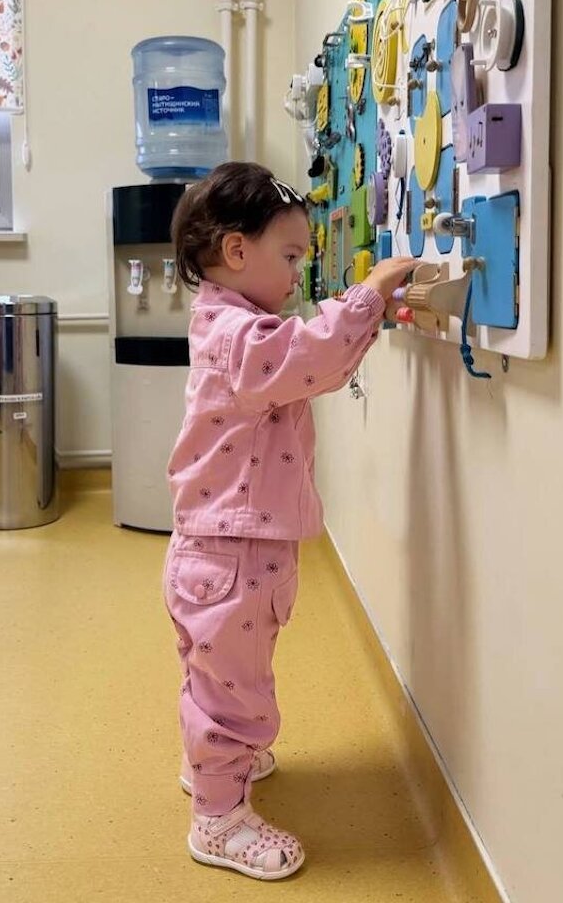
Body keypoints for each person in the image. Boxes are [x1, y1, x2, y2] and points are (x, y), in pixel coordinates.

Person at [163, 161, 413, 880]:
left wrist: (360, 317)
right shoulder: (240, 337)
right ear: (237, 250)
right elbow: (312, 356)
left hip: (227, 549)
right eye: (293, 255)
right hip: (231, 554)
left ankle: (215, 765)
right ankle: (218, 818)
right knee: (233, 692)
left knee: (220, 675)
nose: (300, 272)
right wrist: (370, 294)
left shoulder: (232, 324)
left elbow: (308, 359)